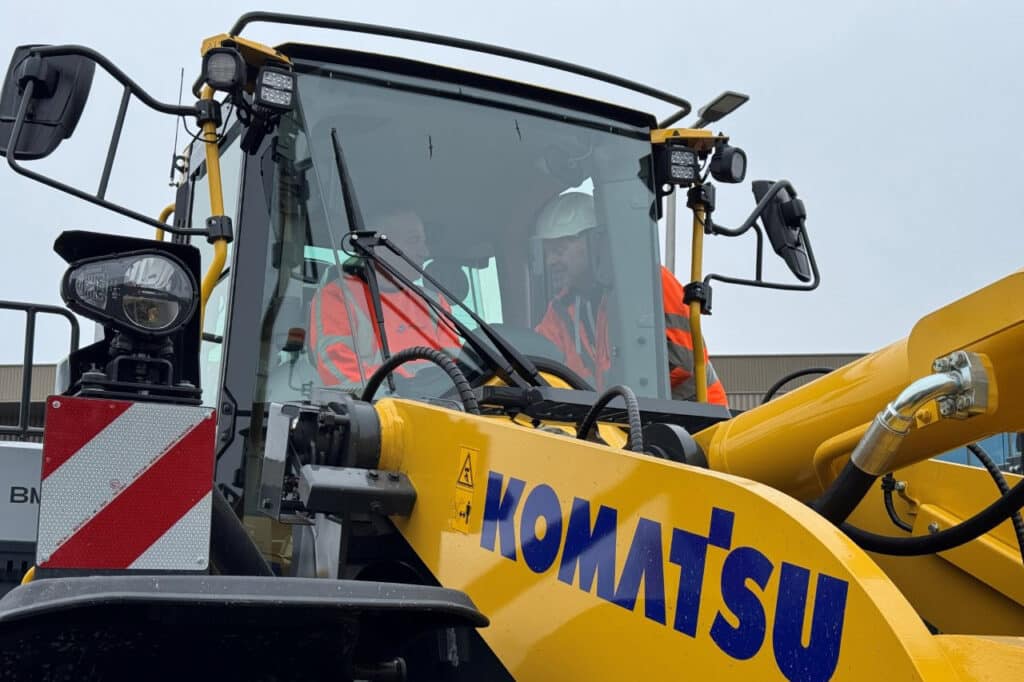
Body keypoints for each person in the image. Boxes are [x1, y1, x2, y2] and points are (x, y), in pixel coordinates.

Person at [533, 192, 728, 406]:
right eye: (547, 252)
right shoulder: (561, 310)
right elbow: (535, 360)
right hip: (626, 420)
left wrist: (610, 393)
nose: (551, 261)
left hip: (695, 420)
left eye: (559, 250)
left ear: (594, 240)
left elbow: (682, 362)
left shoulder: (648, 282)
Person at [308, 207, 460, 389]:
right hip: (374, 412)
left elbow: (455, 367)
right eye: (414, 241)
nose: (425, 252)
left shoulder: (435, 302)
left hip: (438, 408)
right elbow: (337, 370)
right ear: (375, 247)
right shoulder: (336, 298)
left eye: (424, 242)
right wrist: (400, 388)